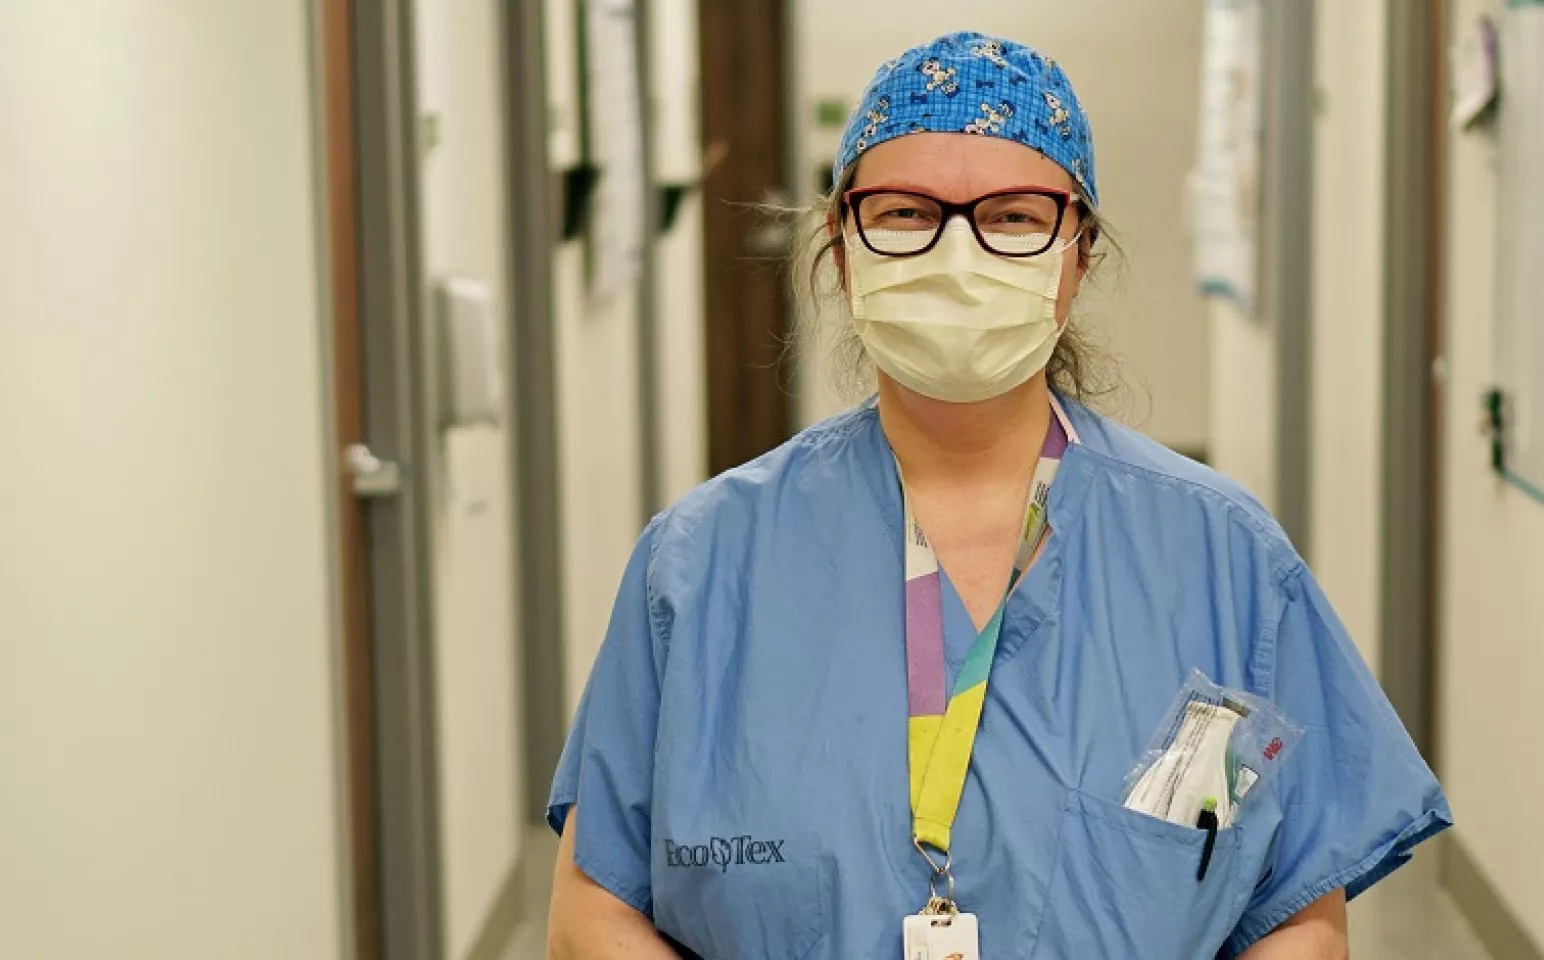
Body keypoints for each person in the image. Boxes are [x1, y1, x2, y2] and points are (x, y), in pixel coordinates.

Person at [545, 31, 1449, 960]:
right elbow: (592, 914)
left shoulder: (1222, 557)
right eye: (903, 212)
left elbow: (1298, 911)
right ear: (842, 245)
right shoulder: (701, 564)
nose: (956, 253)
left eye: (1013, 217)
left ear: (1078, 255)